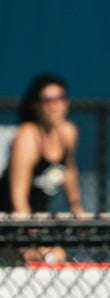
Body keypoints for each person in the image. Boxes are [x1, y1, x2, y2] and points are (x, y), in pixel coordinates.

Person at [0, 73, 84, 262]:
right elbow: (18, 200)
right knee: (43, 258)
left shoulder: (69, 132)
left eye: (60, 98)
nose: (54, 106)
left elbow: (69, 169)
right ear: (35, 105)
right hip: (9, 223)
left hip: (37, 221)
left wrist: (75, 205)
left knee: (57, 257)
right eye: (47, 100)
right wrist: (34, 240)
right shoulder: (27, 138)